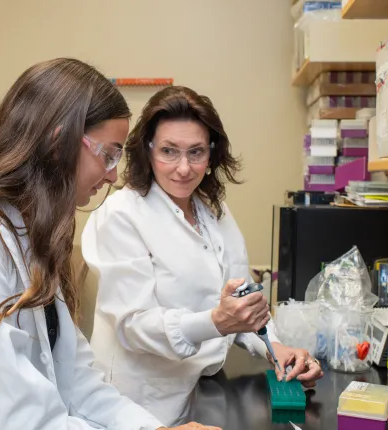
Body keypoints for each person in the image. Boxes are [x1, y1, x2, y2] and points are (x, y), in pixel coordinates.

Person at [0, 59, 220, 430]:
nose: (113, 175)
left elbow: (77, 380)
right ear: (57, 142)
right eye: (108, 155)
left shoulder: (29, 234)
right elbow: (13, 420)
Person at [81, 86, 324, 426]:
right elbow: (133, 325)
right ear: (147, 150)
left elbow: (242, 302)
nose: (184, 168)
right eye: (169, 151)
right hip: (141, 404)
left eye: (196, 152)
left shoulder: (212, 210)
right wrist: (216, 321)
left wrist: (275, 348)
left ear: (212, 153)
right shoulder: (121, 215)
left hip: (202, 391)